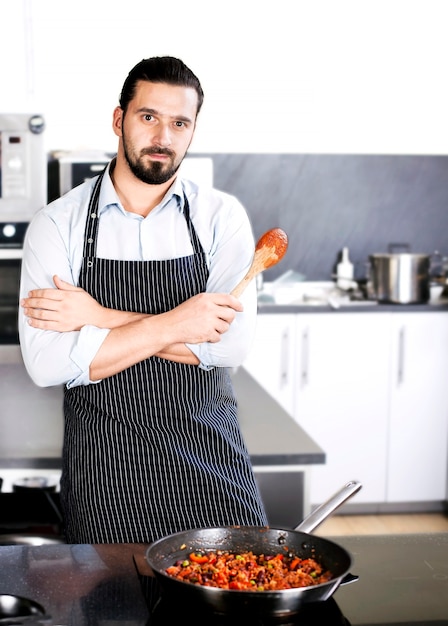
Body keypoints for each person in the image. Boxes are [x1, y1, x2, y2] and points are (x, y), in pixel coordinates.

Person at [19, 56, 268, 544]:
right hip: (105, 471)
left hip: (209, 457)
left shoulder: (222, 218)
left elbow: (229, 348)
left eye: (180, 123)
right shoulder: (57, 225)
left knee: (234, 607)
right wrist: (184, 323)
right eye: (148, 117)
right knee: (115, 615)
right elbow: (47, 364)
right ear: (119, 120)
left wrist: (96, 319)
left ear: (193, 131)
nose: (164, 137)